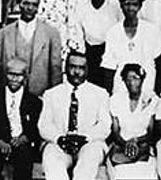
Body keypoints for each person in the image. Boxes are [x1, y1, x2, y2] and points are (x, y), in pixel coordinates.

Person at [38, 51, 111, 180]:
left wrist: (85, 138)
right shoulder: (52, 94)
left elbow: (105, 125)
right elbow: (44, 125)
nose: (77, 72)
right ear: (65, 68)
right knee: (52, 161)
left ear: (87, 70)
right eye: (72, 67)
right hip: (60, 144)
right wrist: (59, 138)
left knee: (87, 164)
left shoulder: (100, 94)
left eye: (81, 68)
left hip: (89, 143)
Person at [0, 58, 42, 180]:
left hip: (21, 144)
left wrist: (24, 137)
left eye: (19, 75)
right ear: (5, 74)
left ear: (25, 76)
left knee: (25, 155)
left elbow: (36, 128)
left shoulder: (34, 102)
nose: (14, 79)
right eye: (11, 74)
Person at [0, 0, 62, 97]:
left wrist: (55, 98)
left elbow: (55, 70)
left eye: (34, 5)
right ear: (19, 5)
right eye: (26, 3)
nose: (30, 8)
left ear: (38, 8)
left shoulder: (51, 34)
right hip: (10, 96)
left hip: (40, 96)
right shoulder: (2, 34)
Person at [101, 0, 161, 94]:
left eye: (134, 4)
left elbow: (160, 62)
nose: (130, 8)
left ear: (140, 6)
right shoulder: (113, 32)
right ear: (121, 6)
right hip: (121, 85)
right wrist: (109, 93)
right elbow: (109, 66)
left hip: (147, 83)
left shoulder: (151, 30)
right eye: (127, 4)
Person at [107, 63, 158, 179]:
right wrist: (126, 144)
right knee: (121, 172)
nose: (131, 83)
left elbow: (151, 132)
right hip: (121, 146)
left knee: (145, 171)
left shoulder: (152, 100)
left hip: (144, 146)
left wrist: (137, 141)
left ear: (142, 79)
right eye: (128, 79)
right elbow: (115, 131)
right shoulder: (116, 100)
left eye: (135, 78)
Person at [75, 0, 121, 88]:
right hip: (88, 53)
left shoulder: (115, 8)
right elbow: (78, 33)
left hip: (110, 52)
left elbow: (120, 31)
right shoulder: (81, 9)